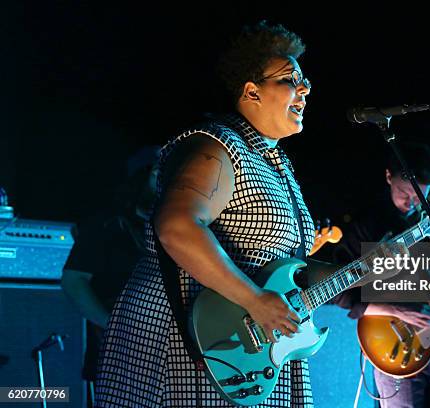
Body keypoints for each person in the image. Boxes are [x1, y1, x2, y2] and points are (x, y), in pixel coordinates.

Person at [94, 21, 334, 407]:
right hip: (189, 340)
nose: (305, 88)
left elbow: (295, 269)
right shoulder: (218, 145)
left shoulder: (276, 164)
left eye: (304, 80)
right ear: (252, 91)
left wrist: (368, 270)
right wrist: (255, 299)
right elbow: (176, 226)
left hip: (249, 354)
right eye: (290, 79)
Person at [332, 142, 430, 408]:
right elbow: (339, 292)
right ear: (389, 176)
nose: (410, 203)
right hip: (394, 346)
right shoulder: (367, 225)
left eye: (418, 197)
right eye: (404, 193)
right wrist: (397, 310)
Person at [61, 147, 159, 406]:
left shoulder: (167, 227)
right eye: (157, 174)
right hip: (121, 353)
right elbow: (74, 280)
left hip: (161, 352)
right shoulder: (106, 225)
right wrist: (112, 325)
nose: (165, 183)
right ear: (138, 178)